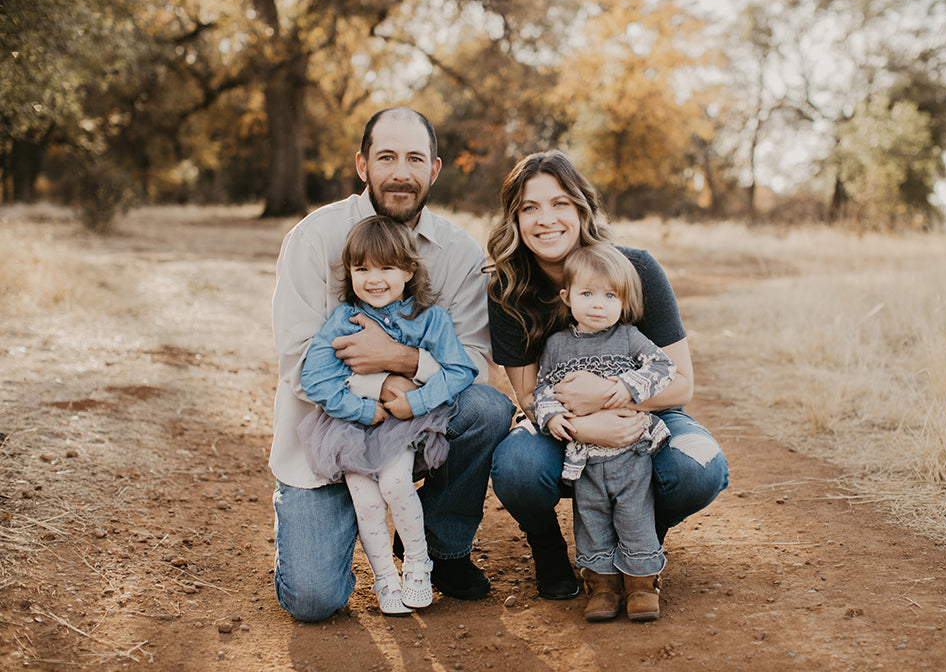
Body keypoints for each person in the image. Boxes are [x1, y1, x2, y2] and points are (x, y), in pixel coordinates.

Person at [271, 107, 514, 623]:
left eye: (414, 158)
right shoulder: (314, 238)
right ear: (363, 165)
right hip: (330, 433)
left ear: (434, 169)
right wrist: (380, 385)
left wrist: (399, 357)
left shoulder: (458, 252)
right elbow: (298, 361)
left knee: (488, 408)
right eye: (386, 157)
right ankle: (325, 531)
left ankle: (438, 549)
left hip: (411, 424)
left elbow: (470, 360)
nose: (401, 172)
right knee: (314, 600)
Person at [485, 150, 729, 610]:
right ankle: (548, 546)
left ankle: (639, 545)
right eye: (529, 207)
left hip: (643, 416)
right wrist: (584, 426)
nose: (545, 219)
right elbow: (529, 396)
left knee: (701, 468)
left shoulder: (633, 267)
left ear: (581, 208)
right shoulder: (507, 288)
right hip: (564, 425)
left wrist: (616, 402)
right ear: (514, 218)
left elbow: (681, 385)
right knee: (517, 467)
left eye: (559, 204)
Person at [298, 215, 478, 615]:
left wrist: (415, 402)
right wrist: (362, 408)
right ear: (349, 272)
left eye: (386, 268)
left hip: (405, 424)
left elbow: (461, 370)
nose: (373, 279)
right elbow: (316, 379)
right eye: (361, 268)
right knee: (365, 498)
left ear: (409, 270)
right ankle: (384, 578)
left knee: (396, 484)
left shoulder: (428, 318)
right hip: (352, 426)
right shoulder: (342, 321)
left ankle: (417, 563)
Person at [533, 243, 676, 621]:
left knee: (634, 514)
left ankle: (642, 584)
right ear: (567, 298)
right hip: (584, 457)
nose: (599, 304)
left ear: (624, 301)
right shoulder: (557, 345)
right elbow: (543, 387)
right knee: (591, 516)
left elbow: (664, 366)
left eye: (610, 295)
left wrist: (630, 387)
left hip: (631, 452)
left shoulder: (629, 337)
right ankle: (603, 585)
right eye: (587, 294)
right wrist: (550, 417)